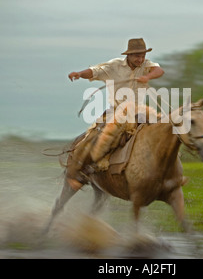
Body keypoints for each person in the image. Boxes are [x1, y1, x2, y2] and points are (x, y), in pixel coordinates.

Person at [65, 38, 164, 190]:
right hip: (117, 111)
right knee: (96, 135)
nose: (141, 59)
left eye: (143, 55)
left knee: (163, 130)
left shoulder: (147, 65)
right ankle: (81, 171)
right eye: (137, 55)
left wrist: (147, 77)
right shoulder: (114, 66)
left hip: (140, 111)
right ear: (128, 55)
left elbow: (159, 70)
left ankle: (167, 172)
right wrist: (79, 73)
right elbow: (94, 71)